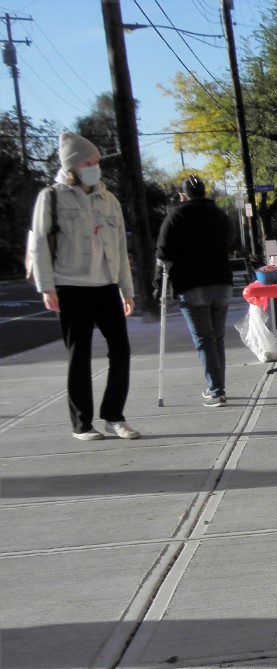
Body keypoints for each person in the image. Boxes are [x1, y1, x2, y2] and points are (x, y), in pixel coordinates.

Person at [27, 131, 140, 440]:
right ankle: (82, 424)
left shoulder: (109, 198)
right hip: (70, 286)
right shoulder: (50, 197)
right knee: (79, 356)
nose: (95, 166)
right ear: (72, 166)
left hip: (105, 286)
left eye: (97, 161)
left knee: (121, 351)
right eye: (89, 161)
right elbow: (38, 243)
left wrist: (126, 291)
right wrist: (46, 287)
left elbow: (119, 248)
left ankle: (114, 415)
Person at [154, 175, 235, 407]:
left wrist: (157, 284)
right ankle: (218, 386)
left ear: (183, 195)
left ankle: (217, 390)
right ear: (204, 192)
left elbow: (162, 254)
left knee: (204, 340)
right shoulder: (219, 215)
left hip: (191, 285)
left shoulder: (176, 215)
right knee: (216, 339)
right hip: (221, 282)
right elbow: (230, 240)